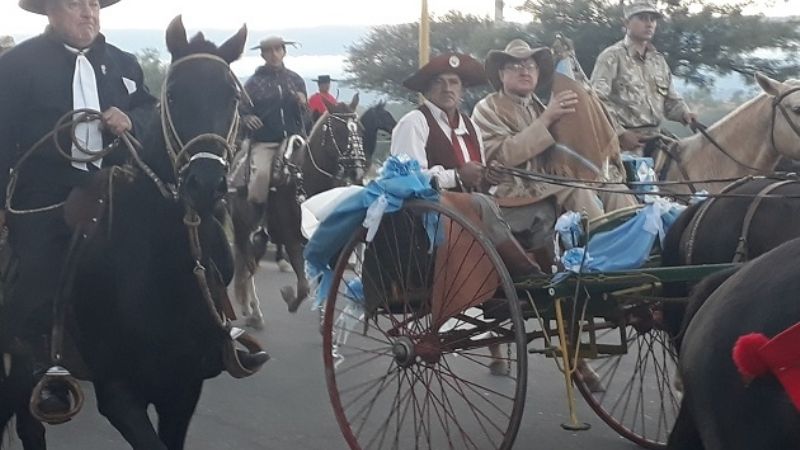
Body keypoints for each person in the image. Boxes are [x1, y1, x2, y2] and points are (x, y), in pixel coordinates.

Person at [0, 0, 157, 412]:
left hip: (117, 184)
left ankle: (212, 325)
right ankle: (42, 367)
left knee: (184, 230)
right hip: (45, 190)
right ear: (50, 12)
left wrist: (132, 118)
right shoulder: (17, 65)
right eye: (75, 4)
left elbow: (150, 107)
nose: (89, 12)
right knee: (37, 267)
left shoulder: (123, 62)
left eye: (93, 3)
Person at [390, 53, 545, 376]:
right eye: (440, 83)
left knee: (541, 210)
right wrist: (457, 175)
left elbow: (478, 175)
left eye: (454, 83)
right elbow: (405, 178)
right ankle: (525, 273)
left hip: (472, 208)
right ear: (426, 89)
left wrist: (487, 176)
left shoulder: (469, 124)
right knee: (484, 206)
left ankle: (540, 275)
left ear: (462, 89)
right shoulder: (414, 123)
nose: (448, 89)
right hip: (429, 215)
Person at [473, 39, 606, 225]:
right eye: (515, 66)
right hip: (511, 193)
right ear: (502, 74)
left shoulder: (540, 107)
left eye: (531, 66)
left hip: (545, 186)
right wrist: (546, 120)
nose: (525, 71)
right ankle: (605, 242)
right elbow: (501, 155)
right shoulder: (487, 108)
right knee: (576, 190)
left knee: (608, 186)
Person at [590, 0, 697, 154]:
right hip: (622, 145)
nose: (649, 24)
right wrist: (620, 134)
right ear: (626, 23)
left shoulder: (658, 60)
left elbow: (671, 101)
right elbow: (595, 102)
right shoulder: (611, 57)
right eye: (642, 18)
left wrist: (685, 114)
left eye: (652, 19)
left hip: (656, 139)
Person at [231, 35, 307, 235]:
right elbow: (242, 109)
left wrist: (302, 103)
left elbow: (305, 114)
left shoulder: (296, 80)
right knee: (262, 176)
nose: (274, 54)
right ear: (263, 55)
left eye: (277, 50)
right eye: (269, 51)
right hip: (265, 142)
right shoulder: (254, 83)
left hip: (294, 140)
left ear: (284, 52)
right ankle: (258, 222)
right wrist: (248, 118)